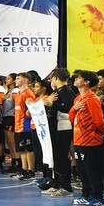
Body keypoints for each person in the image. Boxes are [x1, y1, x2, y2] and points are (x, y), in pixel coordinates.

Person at [69, 71, 104, 206]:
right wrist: (74, 109)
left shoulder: (92, 99)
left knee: (92, 170)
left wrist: (95, 135)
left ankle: (98, 197)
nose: (76, 79)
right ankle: (86, 195)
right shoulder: (78, 98)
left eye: (79, 78)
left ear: (86, 82)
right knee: (82, 170)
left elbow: (99, 122)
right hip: (78, 140)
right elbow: (71, 119)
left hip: (90, 141)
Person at [41, 68, 76, 197]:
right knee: (55, 157)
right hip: (55, 127)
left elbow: (69, 108)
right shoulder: (57, 91)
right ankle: (57, 183)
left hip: (63, 127)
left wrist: (52, 104)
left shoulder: (66, 90)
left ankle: (66, 186)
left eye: (52, 78)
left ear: (56, 78)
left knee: (61, 157)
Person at [14, 72, 38, 180]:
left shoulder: (28, 93)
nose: (16, 80)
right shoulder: (19, 93)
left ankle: (31, 170)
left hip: (26, 125)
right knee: (22, 149)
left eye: (18, 78)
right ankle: (24, 169)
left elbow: (31, 110)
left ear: (25, 80)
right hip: (18, 125)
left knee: (29, 149)